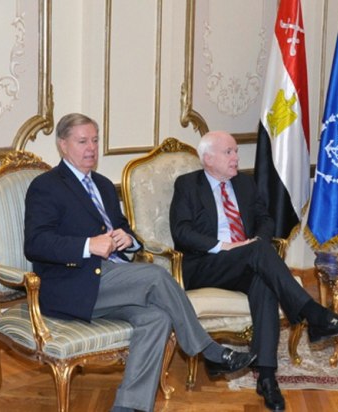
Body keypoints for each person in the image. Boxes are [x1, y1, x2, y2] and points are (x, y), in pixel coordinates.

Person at [24, 113, 258, 412]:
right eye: (82, 141)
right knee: (155, 276)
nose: (91, 148)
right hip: (74, 284)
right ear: (62, 145)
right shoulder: (47, 186)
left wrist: (128, 240)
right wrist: (87, 245)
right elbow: (36, 243)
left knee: (156, 318)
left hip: (113, 280)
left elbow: (127, 231)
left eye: (95, 140)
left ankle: (128, 407)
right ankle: (208, 350)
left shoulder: (104, 185)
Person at [169, 130, 338, 411]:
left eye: (236, 151)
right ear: (208, 158)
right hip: (204, 265)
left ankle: (267, 376)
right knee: (259, 252)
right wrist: (222, 245)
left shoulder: (245, 185)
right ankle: (313, 315)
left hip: (247, 261)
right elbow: (181, 232)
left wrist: (255, 243)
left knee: (263, 280)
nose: (236, 157)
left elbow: (265, 220)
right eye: (229, 152)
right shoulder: (188, 185)